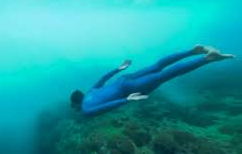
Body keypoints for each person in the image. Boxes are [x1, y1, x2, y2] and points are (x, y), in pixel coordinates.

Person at [70, 45, 235, 116]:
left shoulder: (85, 110)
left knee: (165, 75)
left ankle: (207, 58)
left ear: (77, 104)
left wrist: (126, 100)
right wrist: (119, 69)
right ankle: (193, 50)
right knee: (157, 66)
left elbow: (105, 107)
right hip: (124, 78)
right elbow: (103, 78)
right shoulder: (90, 91)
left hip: (128, 89)